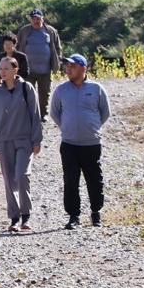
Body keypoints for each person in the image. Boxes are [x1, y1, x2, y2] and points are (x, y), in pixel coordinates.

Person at [50, 53, 111, 229]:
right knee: (70, 180)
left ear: (83, 68)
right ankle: (73, 216)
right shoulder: (61, 90)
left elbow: (105, 112)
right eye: (67, 66)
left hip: (91, 143)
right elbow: (55, 113)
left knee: (94, 179)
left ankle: (96, 213)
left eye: (73, 66)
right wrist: (68, 128)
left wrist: (92, 128)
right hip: (69, 144)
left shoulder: (96, 88)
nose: (68, 69)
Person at [0, 56, 43, 231]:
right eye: (0, 69)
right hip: (4, 142)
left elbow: (35, 115)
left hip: (24, 141)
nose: (2, 72)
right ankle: (14, 218)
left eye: (6, 68)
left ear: (15, 70)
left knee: (22, 175)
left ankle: (26, 216)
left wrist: (37, 139)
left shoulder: (27, 88)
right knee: (9, 181)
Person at [17, 8, 63, 118]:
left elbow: (58, 47)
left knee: (44, 94)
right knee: (28, 92)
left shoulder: (51, 31)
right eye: (33, 19)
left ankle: (43, 114)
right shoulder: (24, 31)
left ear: (42, 19)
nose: (36, 21)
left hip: (45, 69)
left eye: (38, 18)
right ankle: (30, 113)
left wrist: (58, 60)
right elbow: (18, 47)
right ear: (30, 20)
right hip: (28, 70)